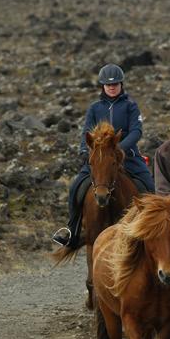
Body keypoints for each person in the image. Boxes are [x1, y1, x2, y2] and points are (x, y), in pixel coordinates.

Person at [51, 64, 155, 247]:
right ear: (103, 86)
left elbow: (136, 131)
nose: (112, 87)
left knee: (149, 186)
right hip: (99, 160)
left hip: (127, 157)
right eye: (108, 84)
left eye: (115, 83)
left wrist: (119, 149)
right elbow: (86, 133)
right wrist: (85, 151)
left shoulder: (131, 106)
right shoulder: (94, 108)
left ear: (121, 84)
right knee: (76, 188)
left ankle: (152, 228)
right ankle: (72, 229)